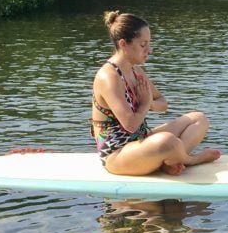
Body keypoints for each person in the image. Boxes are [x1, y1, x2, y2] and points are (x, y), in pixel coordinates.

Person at [91, 11, 221, 175]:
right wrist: (145, 103)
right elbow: (130, 126)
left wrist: (150, 102)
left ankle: (170, 160)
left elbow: (163, 103)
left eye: (149, 44)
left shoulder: (135, 71)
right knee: (168, 141)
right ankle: (190, 159)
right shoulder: (108, 77)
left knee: (198, 119)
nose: (149, 50)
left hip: (142, 139)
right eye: (143, 45)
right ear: (124, 44)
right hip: (117, 155)